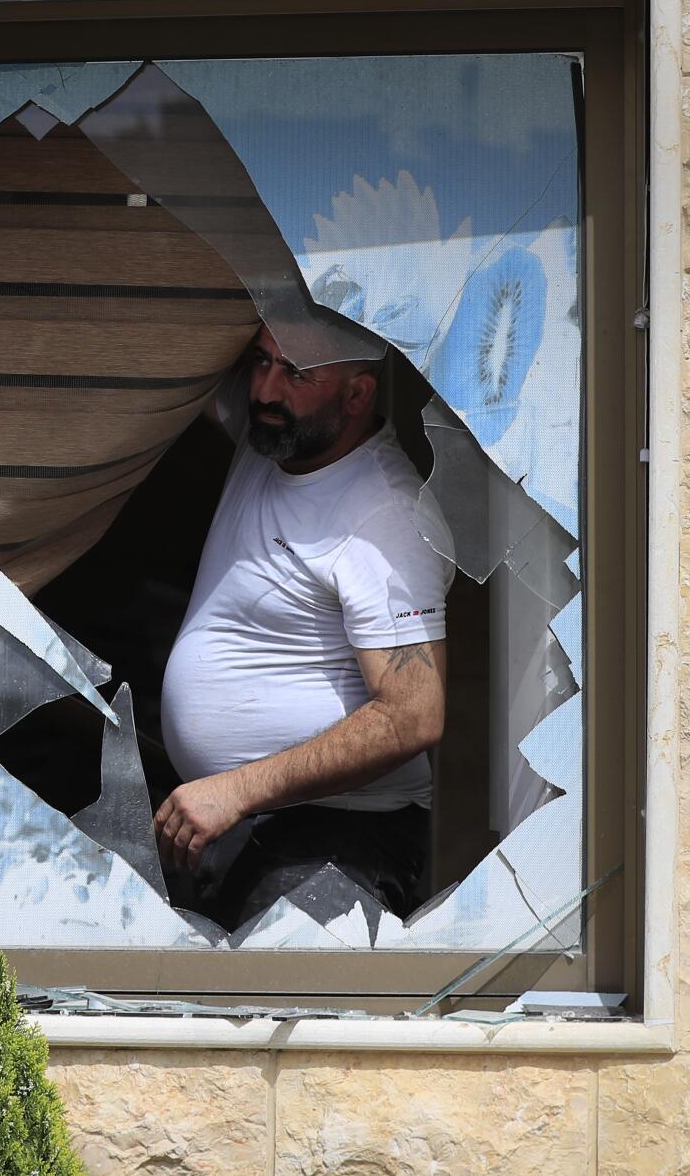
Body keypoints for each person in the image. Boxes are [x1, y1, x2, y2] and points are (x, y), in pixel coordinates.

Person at [153, 324, 453, 930]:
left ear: (356, 395)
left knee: (273, 1019)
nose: (264, 389)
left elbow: (413, 713)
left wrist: (235, 790)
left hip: (337, 843)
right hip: (235, 825)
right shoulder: (269, 437)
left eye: (296, 374)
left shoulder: (384, 517)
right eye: (260, 363)